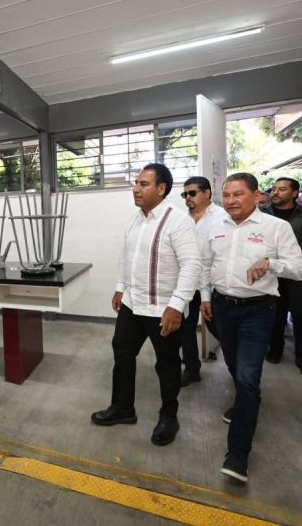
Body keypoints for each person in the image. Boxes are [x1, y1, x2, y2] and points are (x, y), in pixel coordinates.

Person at [200, 173, 302, 483]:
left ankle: (238, 454)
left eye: (238, 194)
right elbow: (206, 264)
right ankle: (246, 402)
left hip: (258, 310)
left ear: (257, 196)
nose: (230, 201)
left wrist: (271, 264)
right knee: (236, 368)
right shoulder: (215, 226)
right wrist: (206, 297)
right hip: (221, 307)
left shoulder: (276, 227)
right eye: (226, 195)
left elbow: (301, 268)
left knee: (248, 376)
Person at [91, 163, 200, 447]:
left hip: (163, 308)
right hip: (132, 304)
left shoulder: (178, 221)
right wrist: (120, 288)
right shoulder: (136, 220)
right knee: (122, 354)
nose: (136, 189)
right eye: (136, 183)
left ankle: (169, 417)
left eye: (143, 184)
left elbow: (192, 265)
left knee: (167, 364)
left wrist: (177, 305)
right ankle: (122, 408)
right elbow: (126, 257)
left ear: (161, 188)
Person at [262, 178, 302, 377]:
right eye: (274, 189)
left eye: (282, 189)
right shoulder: (262, 214)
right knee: (274, 314)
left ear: (295, 193)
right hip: (271, 274)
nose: (275, 192)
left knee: (301, 315)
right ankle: (275, 349)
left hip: (300, 275)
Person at [179, 176, 225, 386]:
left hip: (214, 285)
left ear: (207, 193)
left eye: (192, 193)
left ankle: (240, 371)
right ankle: (191, 369)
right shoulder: (182, 220)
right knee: (185, 328)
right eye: (184, 194)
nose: (187, 197)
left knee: (220, 329)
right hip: (189, 283)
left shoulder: (222, 217)